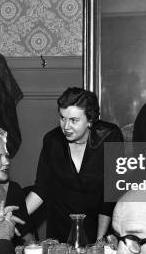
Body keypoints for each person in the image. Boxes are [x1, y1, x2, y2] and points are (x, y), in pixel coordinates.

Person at [26, 87, 123, 242]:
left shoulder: (110, 137)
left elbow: (110, 194)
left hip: (99, 224)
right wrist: (12, 218)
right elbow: (41, 189)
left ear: (90, 120)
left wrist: (100, 239)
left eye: (74, 120)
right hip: (61, 228)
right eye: (62, 118)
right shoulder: (52, 141)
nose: (66, 127)